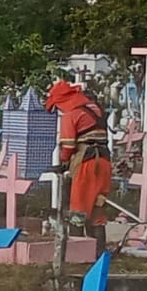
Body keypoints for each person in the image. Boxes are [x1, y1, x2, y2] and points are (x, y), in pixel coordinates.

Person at [45, 80, 112, 244]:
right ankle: (99, 249)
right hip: (104, 161)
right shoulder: (95, 108)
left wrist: (64, 161)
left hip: (86, 163)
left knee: (78, 207)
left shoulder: (71, 114)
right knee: (98, 205)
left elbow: (68, 146)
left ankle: (78, 249)